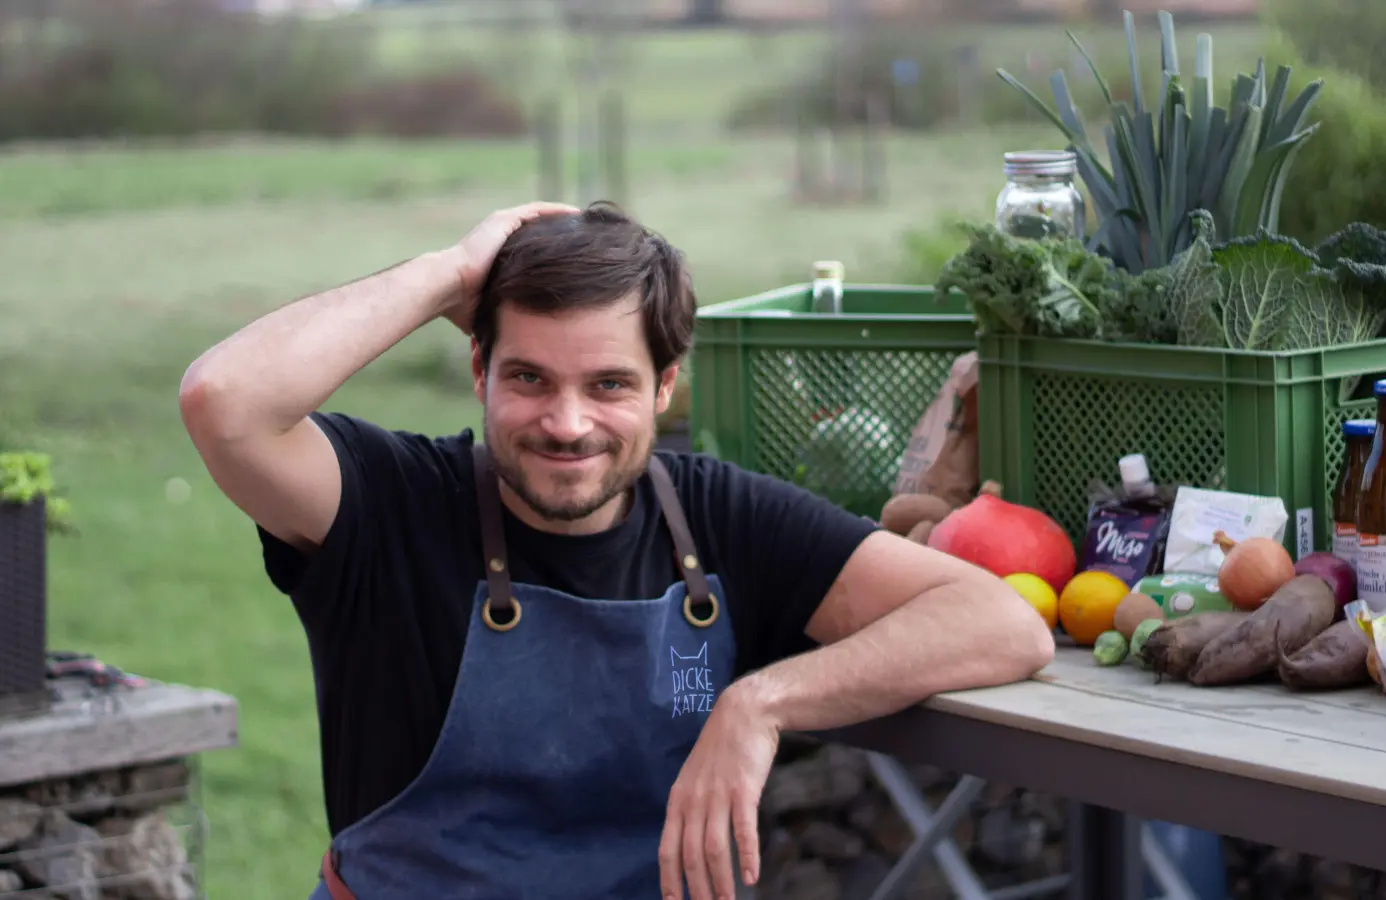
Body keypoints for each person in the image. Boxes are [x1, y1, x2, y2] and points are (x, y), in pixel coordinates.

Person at [178, 199, 1055, 900]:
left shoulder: (721, 518)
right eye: (528, 379)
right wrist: (450, 273)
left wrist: (760, 703)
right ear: (479, 369)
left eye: (608, 385)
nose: (567, 424)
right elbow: (225, 400)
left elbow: (1001, 622)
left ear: (665, 387)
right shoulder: (393, 504)